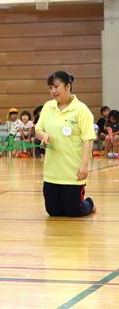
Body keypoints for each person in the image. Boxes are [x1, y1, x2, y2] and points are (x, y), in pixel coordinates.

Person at [35, 71, 97, 217]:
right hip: (52, 172)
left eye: (56, 87)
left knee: (73, 211)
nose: (53, 91)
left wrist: (84, 165)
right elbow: (38, 128)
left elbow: (88, 139)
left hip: (72, 173)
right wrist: (43, 135)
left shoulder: (82, 110)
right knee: (53, 212)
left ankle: (90, 203)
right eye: (50, 88)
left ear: (68, 86)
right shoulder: (48, 107)